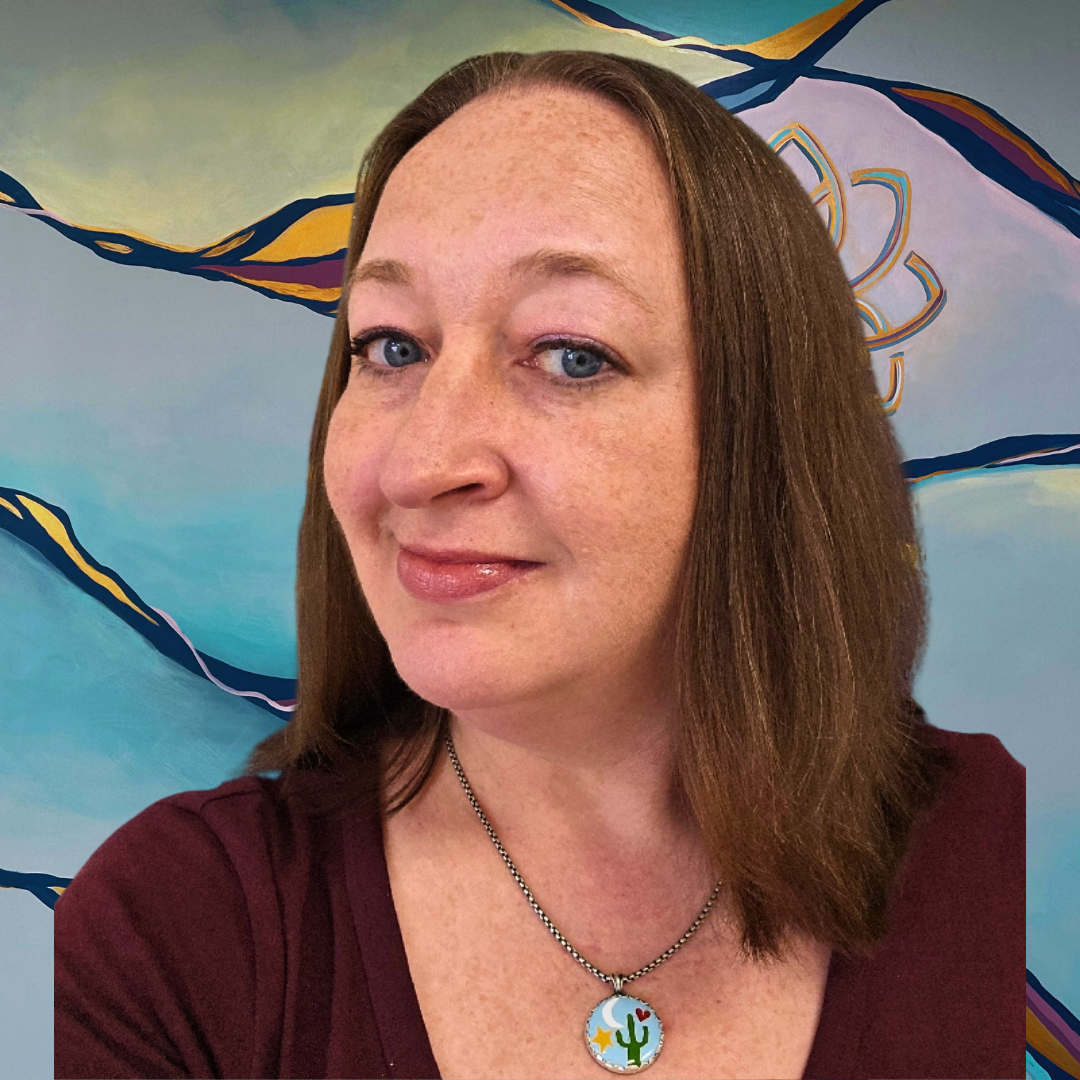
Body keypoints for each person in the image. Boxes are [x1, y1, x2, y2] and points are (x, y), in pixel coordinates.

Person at [54, 50, 1025, 1080]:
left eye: (571, 353)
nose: (424, 464)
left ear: (764, 437)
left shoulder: (1006, 854)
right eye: (390, 347)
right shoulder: (175, 933)